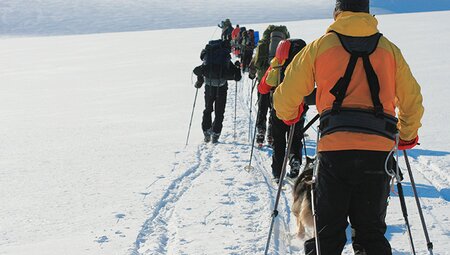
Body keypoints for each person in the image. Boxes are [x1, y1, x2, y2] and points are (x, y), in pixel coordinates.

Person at [272, 0, 424, 254]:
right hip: (378, 155)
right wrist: (407, 135)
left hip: (335, 151)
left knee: (327, 236)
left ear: (337, 12)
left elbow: (284, 97)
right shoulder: (390, 51)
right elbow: (413, 101)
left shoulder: (320, 47)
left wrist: (290, 114)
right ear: (368, 12)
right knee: (370, 234)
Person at [258, 39, 308, 182]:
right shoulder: (304, 66)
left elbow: (262, 88)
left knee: (278, 141)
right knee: (296, 137)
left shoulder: (277, 66)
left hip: (278, 109)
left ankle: (277, 173)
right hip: (298, 108)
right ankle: (295, 160)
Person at [193, 40, 242, 143]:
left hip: (209, 86)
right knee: (219, 111)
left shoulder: (209, 56)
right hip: (222, 87)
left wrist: (199, 82)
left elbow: (202, 70)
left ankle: (206, 131)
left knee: (208, 109)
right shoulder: (224, 56)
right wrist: (237, 68)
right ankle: (216, 134)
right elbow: (237, 77)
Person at [248, 25, 290, 146]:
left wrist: (252, 74)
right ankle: (271, 135)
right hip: (278, 82)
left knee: (262, 107)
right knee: (274, 109)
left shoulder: (262, 44)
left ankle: (261, 131)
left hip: (263, 82)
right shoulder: (285, 45)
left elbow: (254, 62)